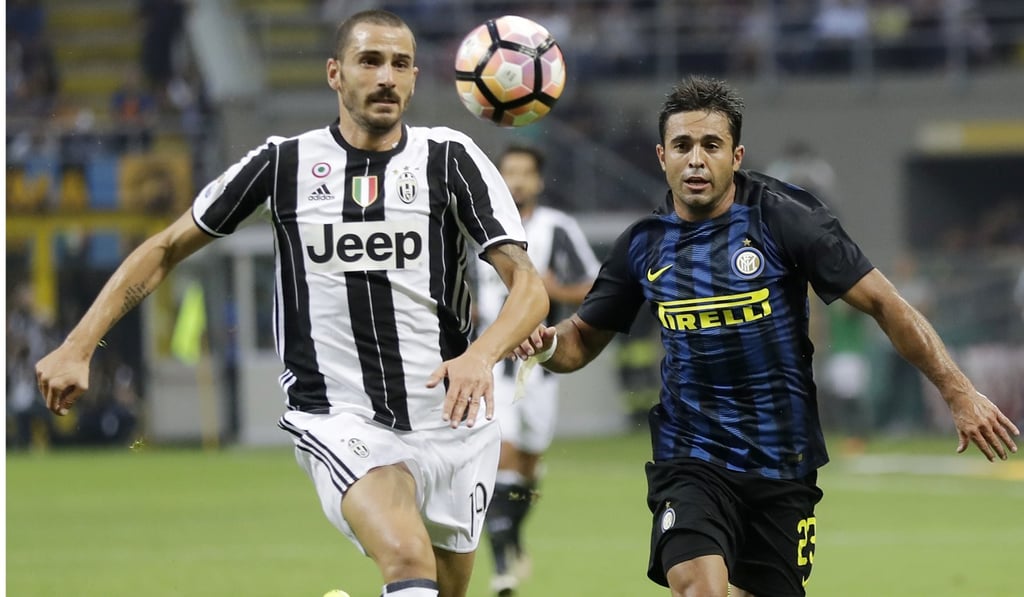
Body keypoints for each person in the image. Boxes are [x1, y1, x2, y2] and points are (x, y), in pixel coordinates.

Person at [34, 10, 549, 597]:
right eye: (369, 61)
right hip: (340, 415)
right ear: (335, 74)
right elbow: (165, 246)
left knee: (441, 591)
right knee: (408, 563)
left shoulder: (449, 159)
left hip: (454, 420)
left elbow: (527, 287)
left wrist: (481, 355)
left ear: (413, 79)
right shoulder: (283, 164)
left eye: (400, 64)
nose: (386, 77)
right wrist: (79, 346)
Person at [511, 75, 1019, 597]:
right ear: (662, 155)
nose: (696, 160)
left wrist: (959, 392)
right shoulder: (642, 246)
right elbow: (579, 340)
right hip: (691, 458)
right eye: (682, 146)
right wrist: (546, 343)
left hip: (782, 463)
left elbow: (885, 305)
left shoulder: (786, 219)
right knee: (700, 588)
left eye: (711, 145)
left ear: (737, 154)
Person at [475, 144, 600, 596]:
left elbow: (594, 286)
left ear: (539, 181)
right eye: (510, 172)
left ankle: (510, 533)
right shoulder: (479, 226)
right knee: (502, 456)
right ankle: (503, 562)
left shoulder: (557, 228)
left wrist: (553, 288)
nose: (518, 181)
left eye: (526, 173)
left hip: (541, 368)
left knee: (527, 465)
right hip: (493, 362)